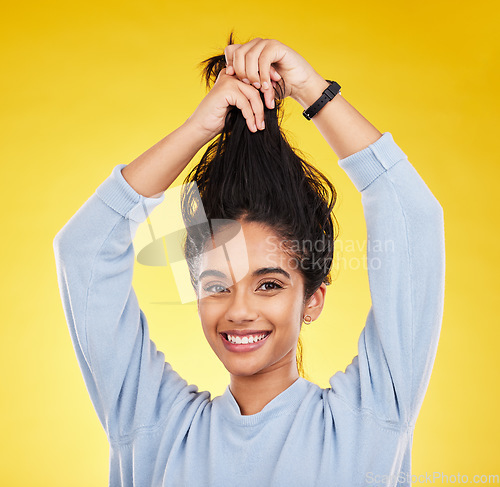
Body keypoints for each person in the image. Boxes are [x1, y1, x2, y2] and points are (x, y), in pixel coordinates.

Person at [53, 33, 445, 487]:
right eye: (217, 285)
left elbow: (412, 217)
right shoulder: (153, 428)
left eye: (269, 284)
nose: (238, 311)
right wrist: (198, 128)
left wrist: (314, 92)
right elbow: (84, 248)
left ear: (313, 298)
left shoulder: (371, 420)